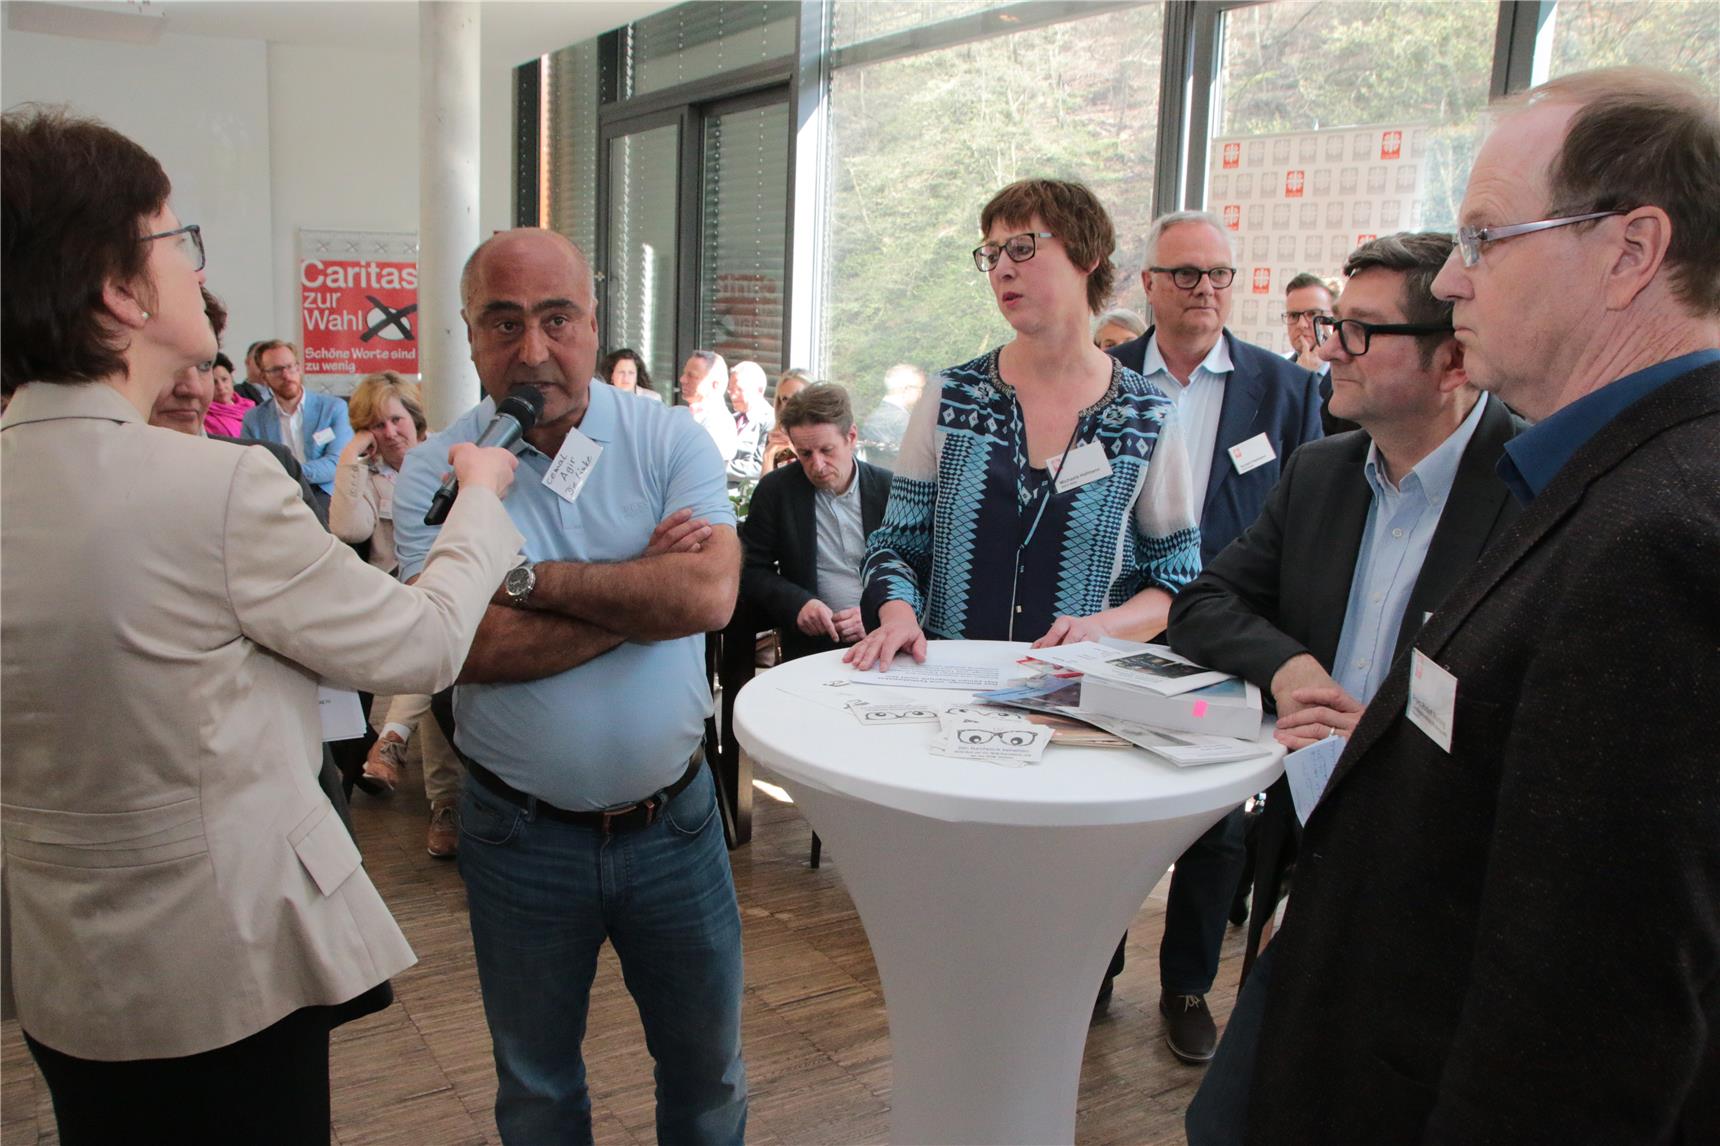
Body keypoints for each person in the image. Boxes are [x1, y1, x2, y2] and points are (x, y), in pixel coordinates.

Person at [0, 107, 524, 1144]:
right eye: (176, 240)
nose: (197, 268)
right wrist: (480, 497)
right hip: (220, 967)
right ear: (118, 289)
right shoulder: (214, 487)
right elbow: (421, 643)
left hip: (62, 969)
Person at [1238, 68, 1720, 1144]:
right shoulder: (1604, 483)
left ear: (1631, 252)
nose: (1454, 279)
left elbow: (1588, 1021)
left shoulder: (1664, 537)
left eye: (1486, 238)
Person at [1166, 232, 1527, 1145]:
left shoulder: (1537, 494)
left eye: (1360, 331)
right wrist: (1287, 665)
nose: (1328, 348)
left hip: (1448, 907)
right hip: (1308, 866)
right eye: (1333, 324)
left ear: (1453, 359)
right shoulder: (1322, 473)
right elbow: (1205, 603)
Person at [393, 227, 748, 1144]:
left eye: (558, 319)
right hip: (518, 836)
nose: (533, 350)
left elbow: (707, 596)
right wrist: (641, 586)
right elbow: (461, 648)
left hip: (675, 828)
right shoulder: (438, 472)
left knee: (707, 1078)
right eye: (504, 323)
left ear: (594, 324)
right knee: (538, 1088)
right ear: (470, 334)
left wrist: (520, 580)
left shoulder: (667, 438)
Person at [1104, 209, 1325, 1062]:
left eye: (1220, 274)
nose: (1205, 289)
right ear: (1150, 284)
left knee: (1217, 822)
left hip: (1227, 637)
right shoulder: (1103, 378)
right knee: (1103, 807)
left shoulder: (1288, 392)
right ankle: (1092, 970)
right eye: (1186, 274)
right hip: (1117, 627)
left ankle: (1187, 987)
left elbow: (1308, 523)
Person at [846, 178, 1200, 675]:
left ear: (1087, 256)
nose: (1002, 268)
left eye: (1022, 247)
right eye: (992, 254)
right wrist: (898, 617)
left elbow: (1176, 577)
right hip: (947, 687)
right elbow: (895, 547)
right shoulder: (950, 398)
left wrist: (1102, 628)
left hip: (1077, 693)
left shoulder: (1147, 417)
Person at [742, 383, 893, 660]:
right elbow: (750, 568)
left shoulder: (890, 489)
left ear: (851, 437)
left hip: (887, 639)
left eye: (827, 450)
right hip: (813, 646)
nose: (818, 465)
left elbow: (921, 570)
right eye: (805, 454)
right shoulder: (776, 491)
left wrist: (879, 612)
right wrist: (798, 603)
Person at [240, 338, 353, 497]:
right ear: (264, 377)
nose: (286, 375)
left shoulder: (333, 408)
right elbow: (253, 468)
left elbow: (338, 463)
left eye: (290, 366)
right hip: (277, 495)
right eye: (276, 370)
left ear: (299, 368)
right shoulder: (254, 419)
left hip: (323, 492)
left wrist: (289, 473)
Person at [1282, 272, 1355, 436]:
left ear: (1334, 318)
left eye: (1312, 314)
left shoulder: (1351, 375)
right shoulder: (1276, 373)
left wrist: (1302, 381)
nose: (1301, 324)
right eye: (1294, 315)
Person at [856, 362, 925, 471]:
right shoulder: (902, 421)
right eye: (920, 388)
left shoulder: (875, 415)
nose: (921, 394)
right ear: (906, 389)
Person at [678, 348, 738, 464]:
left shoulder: (721, 423)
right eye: (684, 373)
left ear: (715, 384)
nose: (682, 379)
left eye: (691, 376)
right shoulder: (683, 414)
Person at [725, 358, 774, 481]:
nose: (733, 395)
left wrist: (716, 467)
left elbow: (759, 467)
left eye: (739, 390)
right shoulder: (731, 419)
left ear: (759, 390)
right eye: (730, 390)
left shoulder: (771, 421)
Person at [759, 367, 811, 476]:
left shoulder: (824, 435)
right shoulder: (777, 436)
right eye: (785, 399)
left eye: (798, 397)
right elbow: (766, 485)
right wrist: (768, 456)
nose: (791, 405)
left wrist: (796, 449)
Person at [202, 351, 250, 436]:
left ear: (231, 378)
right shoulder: (204, 416)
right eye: (214, 382)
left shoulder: (250, 407)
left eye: (224, 379)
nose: (221, 387)